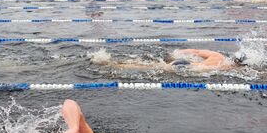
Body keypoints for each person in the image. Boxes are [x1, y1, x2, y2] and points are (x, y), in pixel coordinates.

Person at [98, 48, 245, 73]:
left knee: (148, 65)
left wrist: (178, 53)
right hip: (187, 69)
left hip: (183, 62)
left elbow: (195, 51)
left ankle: (110, 62)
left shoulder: (217, 55)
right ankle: (113, 64)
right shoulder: (228, 68)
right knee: (148, 68)